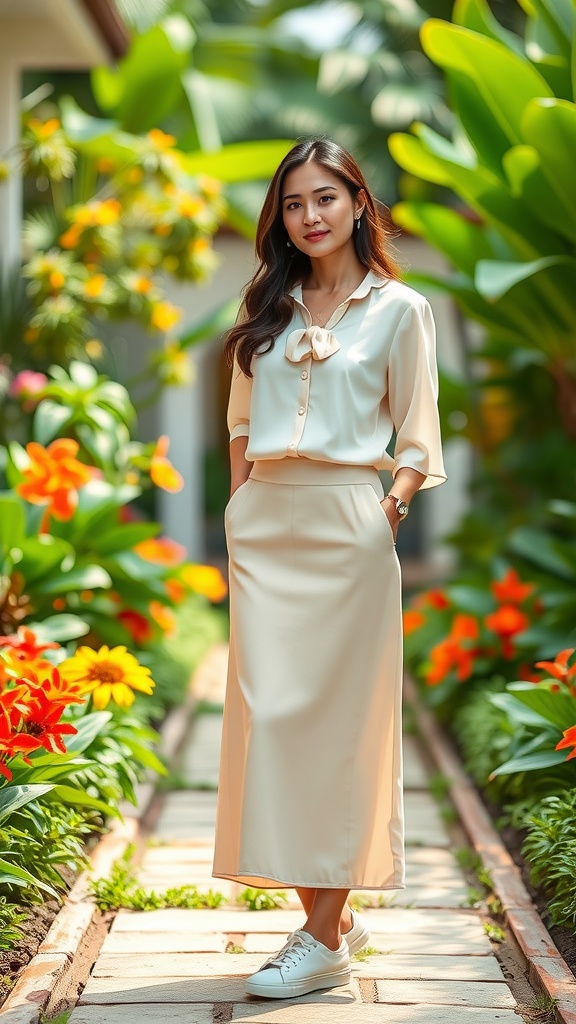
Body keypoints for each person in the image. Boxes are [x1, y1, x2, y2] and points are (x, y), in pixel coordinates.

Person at [212, 137, 446, 1000]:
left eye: (324, 199)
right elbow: (239, 423)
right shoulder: (266, 304)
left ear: (357, 202)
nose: (308, 217)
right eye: (293, 203)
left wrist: (391, 509)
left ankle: (317, 937)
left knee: (342, 730)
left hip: (350, 524)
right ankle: (329, 923)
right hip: (266, 528)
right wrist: (240, 510)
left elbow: (419, 435)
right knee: (272, 723)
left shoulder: (402, 310)